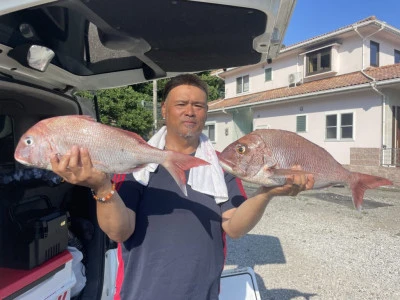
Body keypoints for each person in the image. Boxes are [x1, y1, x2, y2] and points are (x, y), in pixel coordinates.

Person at [50, 74, 314, 300]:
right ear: (164, 110)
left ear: (206, 112)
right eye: (181, 104)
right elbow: (120, 231)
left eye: (198, 105)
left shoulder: (221, 165)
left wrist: (266, 194)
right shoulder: (139, 163)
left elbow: (234, 227)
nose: (190, 111)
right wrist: (101, 185)